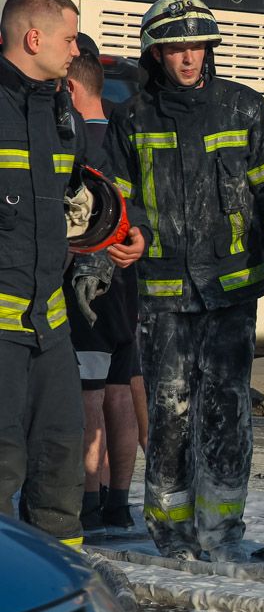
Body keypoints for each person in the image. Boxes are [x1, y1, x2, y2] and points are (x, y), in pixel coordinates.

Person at [104, 0, 264, 561]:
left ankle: (222, 535)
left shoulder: (243, 108)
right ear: (155, 54)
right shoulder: (132, 119)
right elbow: (115, 202)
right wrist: (125, 235)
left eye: (197, 47)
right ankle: (170, 536)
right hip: (164, 295)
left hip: (232, 292)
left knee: (226, 412)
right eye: (176, 48)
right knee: (168, 412)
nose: (188, 58)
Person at [0, 0, 144, 547]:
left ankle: (64, 602)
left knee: (60, 468)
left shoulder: (63, 112)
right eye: (68, 36)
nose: (76, 46)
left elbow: (100, 189)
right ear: (33, 37)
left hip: (49, 327)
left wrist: (129, 232)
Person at [63, 37, 142, 540]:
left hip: (88, 288)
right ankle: (119, 504)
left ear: (71, 87)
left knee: (88, 395)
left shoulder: (75, 144)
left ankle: (87, 503)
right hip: (128, 285)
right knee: (120, 390)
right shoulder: (127, 131)